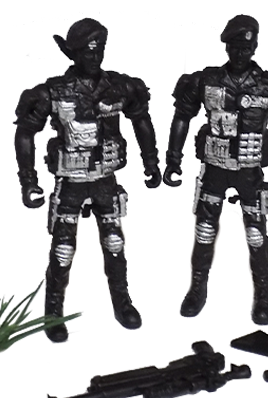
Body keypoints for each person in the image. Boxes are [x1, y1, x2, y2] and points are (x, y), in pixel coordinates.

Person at [14, 18, 161, 341]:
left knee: (115, 243)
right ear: (73, 53)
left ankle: (122, 303)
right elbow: (25, 133)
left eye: (99, 50)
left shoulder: (120, 86)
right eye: (87, 51)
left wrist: (151, 161)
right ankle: (53, 313)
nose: (94, 57)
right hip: (71, 182)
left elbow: (141, 119)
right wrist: (29, 180)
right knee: (63, 249)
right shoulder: (54, 91)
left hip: (106, 180)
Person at [163, 14, 268, 324]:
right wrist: (173, 159)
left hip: (249, 172)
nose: (240, 53)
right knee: (204, 232)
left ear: (255, 48)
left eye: (245, 48)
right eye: (234, 47)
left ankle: (265, 293)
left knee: (256, 234)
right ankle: (197, 289)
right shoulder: (206, 81)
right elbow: (182, 117)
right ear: (226, 47)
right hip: (214, 169)